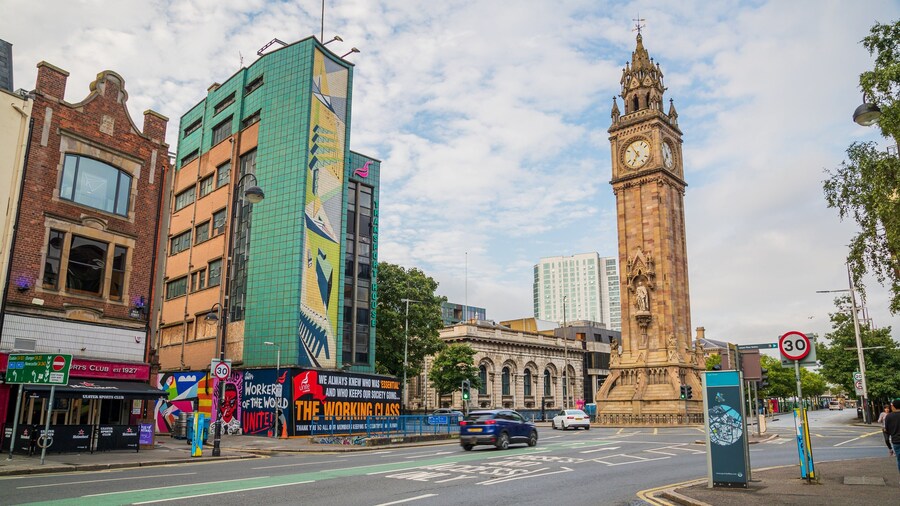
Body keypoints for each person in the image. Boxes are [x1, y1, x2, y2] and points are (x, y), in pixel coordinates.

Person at [884, 399, 900, 482]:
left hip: (896, 441)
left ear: (893, 406)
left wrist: (889, 448)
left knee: (899, 460)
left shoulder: (889, 416)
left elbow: (887, 430)